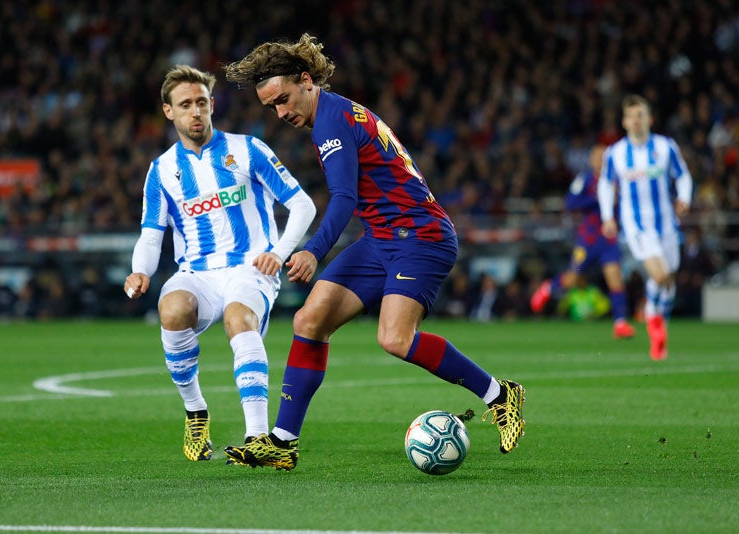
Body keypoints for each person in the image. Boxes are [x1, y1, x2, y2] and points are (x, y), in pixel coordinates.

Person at [221, 34, 525, 471]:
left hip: (421, 237)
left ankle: (500, 395)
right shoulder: (335, 111)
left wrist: (313, 251)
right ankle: (282, 443)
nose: (282, 113)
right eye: (272, 107)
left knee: (394, 339)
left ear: (306, 80)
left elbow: (343, 198)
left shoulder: (330, 122)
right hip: (383, 238)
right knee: (309, 320)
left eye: (284, 99)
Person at [123, 65, 316, 461]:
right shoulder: (161, 171)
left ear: (212, 105)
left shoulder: (247, 150)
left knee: (237, 317)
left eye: (200, 103)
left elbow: (302, 204)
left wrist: (278, 253)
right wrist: (140, 269)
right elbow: (151, 232)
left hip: (252, 266)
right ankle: (196, 411)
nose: (195, 112)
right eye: (185, 105)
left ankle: (259, 439)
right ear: (168, 112)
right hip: (198, 273)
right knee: (172, 309)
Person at [597, 94, 693, 360]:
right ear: (625, 122)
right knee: (660, 276)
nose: (637, 120)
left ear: (650, 119)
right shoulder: (615, 153)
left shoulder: (665, 147)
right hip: (637, 226)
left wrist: (684, 198)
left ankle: (655, 313)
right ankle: (653, 318)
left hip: (667, 225)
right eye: (632, 116)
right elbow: (606, 185)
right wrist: (608, 217)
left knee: (669, 279)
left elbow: (683, 174)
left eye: (641, 115)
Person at [531, 144, 636, 339]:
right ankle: (548, 287)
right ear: (591, 160)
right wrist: (596, 199)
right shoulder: (585, 179)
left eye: (605, 156)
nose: (601, 160)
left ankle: (620, 323)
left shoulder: (617, 180)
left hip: (609, 239)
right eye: (598, 156)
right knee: (572, 278)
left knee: (615, 279)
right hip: (587, 240)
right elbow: (570, 202)